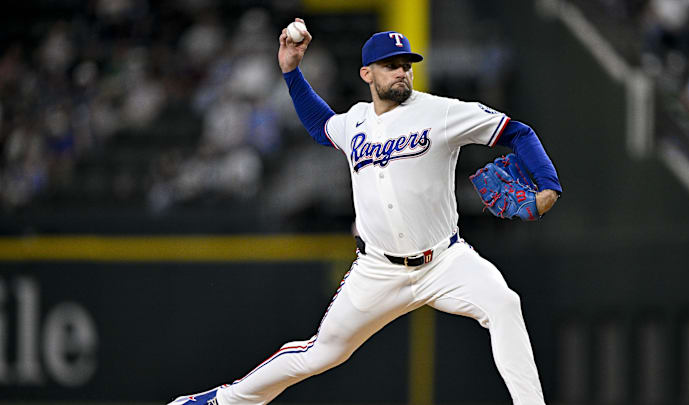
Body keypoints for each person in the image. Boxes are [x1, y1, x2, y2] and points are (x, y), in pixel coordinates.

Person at [168, 18, 562, 405]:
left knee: (504, 304)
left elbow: (517, 132)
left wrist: (548, 186)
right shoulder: (355, 121)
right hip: (378, 269)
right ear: (367, 73)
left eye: (406, 65)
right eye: (391, 66)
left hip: (445, 260)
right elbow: (321, 125)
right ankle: (223, 400)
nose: (401, 73)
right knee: (320, 353)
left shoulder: (440, 112)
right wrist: (291, 72)